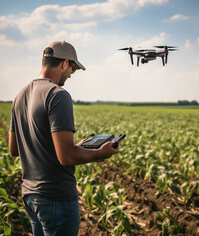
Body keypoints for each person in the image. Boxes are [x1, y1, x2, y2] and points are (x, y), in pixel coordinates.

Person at [8, 41, 118, 236]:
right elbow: (66, 157)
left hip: (30, 196)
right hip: (56, 198)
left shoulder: (19, 96)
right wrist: (100, 153)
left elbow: (14, 150)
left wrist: (78, 147)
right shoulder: (58, 95)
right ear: (64, 63)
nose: (70, 75)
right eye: (72, 70)